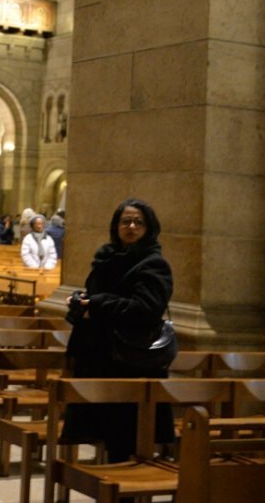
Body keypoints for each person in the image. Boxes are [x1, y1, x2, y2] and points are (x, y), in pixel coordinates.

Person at [61, 197, 174, 462]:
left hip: (131, 360)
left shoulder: (154, 264)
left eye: (138, 222)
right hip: (98, 356)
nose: (131, 226)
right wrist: (81, 303)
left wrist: (97, 304)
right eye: (126, 221)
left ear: (149, 227)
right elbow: (98, 297)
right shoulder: (105, 258)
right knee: (102, 433)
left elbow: (146, 309)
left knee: (125, 435)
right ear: (116, 226)